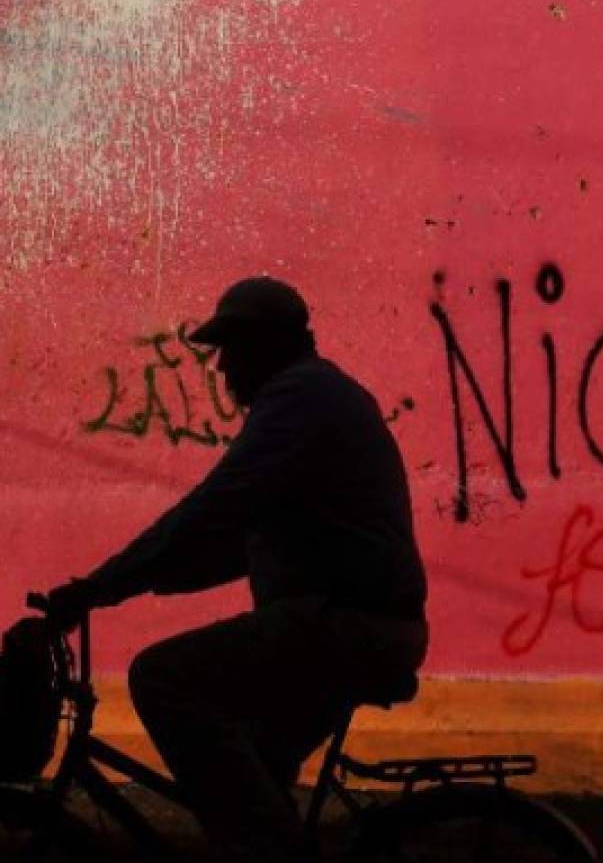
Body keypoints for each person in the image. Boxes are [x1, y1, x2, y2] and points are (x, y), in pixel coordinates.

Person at [44, 276, 428, 863]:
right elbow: (237, 543)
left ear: (265, 345)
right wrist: (125, 586)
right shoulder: (319, 396)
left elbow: (213, 508)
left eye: (230, 349)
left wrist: (99, 587)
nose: (221, 368)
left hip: (342, 624)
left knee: (161, 678)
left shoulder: (298, 400)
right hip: (358, 625)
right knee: (256, 767)